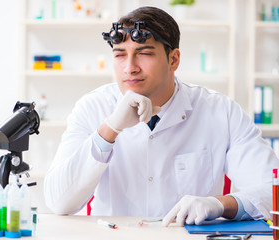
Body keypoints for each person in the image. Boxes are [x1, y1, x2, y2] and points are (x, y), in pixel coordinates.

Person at [44, 6, 279, 226]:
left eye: (143, 53)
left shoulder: (221, 111)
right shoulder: (92, 107)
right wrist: (110, 129)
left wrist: (220, 204)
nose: (129, 67)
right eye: (119, 55)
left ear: (173, 59)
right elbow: (59, 202)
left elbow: (272, 191)